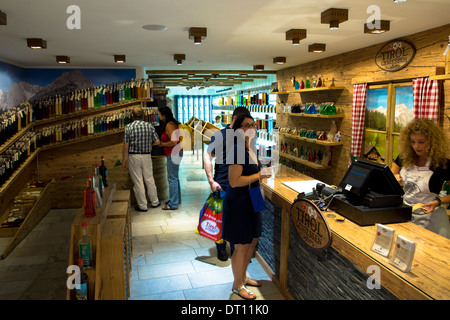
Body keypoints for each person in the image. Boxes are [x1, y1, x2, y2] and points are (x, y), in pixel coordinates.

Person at [222, 114, 271, 300]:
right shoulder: (237, 150)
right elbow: (234, 181)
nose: (249, 128)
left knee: (253, 239)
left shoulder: (249, 148)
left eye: (252, 125)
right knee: (241, 246)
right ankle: (237, 285)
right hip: (239, 203)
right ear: (237, 129)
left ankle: (243, 275)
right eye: (245, 125)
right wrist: (260, 174)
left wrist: (260, 174)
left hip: (252, 199)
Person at [391, 118, 450, 238]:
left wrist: (438, 202)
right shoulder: (404, 157)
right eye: (413, 142)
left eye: (421, 142)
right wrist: (395, 177)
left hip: (432, 219)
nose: (416, 146)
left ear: (432, 141)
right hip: (405, 213)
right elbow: (390, 175)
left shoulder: (442, 164)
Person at [205, 107, 250, 261]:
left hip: (242, 186)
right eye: (243, 122)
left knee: (238, 218)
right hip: (223, 184)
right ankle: (221, 247)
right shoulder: (220, 135)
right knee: (221, 218)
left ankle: (236, 247)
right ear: (235, 118)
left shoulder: (244, 136)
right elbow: (207, 156)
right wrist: (211, 180)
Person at [122, 106, 161, 212]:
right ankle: (155, 202)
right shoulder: (149, 126)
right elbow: (157, 142)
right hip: (147, 155)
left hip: (133, 156)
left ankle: (143, 206)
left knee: (138, 181)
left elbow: (126, 146)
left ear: (132, 116)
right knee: (149, 179)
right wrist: (149, 145)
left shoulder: (128, 127)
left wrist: (124, 160)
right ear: (143, 116)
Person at [159, 106, 183, 210]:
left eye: (159, 114)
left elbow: (174, 142)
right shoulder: (172, 123)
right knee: (175, 177)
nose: (158, 116)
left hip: (173, 154)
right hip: (176, 153)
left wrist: (162, 144)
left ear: (164, 116)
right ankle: (176, 200)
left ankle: (173, 204)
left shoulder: (169, 125)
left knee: (172, 179)